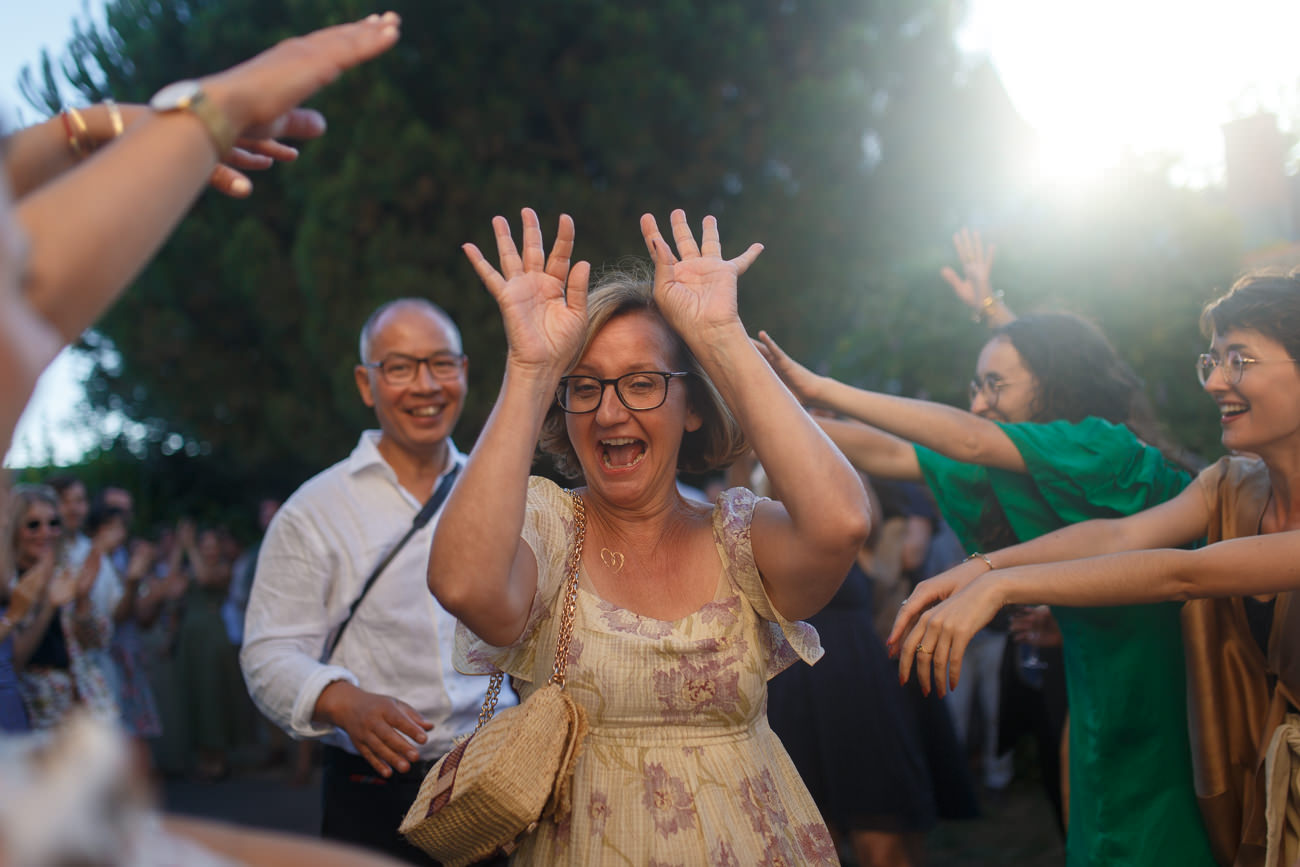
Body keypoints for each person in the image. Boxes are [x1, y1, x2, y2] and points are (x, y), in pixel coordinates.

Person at [432, 208, 869, 864]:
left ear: (692, 406)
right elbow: (464, 584)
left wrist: (721, 336)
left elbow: (842, 523)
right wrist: (530, 368)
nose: (611, 411)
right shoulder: (546, 529)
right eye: (585, 386)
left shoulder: (737, 538)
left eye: (642, 383)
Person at [757, 304, 1216, 863]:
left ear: (1055, 383)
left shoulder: (1105, 448)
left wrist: (815, 386)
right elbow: (894, 452)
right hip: (1095, 692)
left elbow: (970, 440)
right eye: (976, 386)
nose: (977, 403)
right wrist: (761, 412)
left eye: (995, 385)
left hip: (1167, 692)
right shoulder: (1020, 465)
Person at [893, 268, 1300, 867]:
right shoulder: (1233, 485)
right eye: (1210, 362)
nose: (1216, 382)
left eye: (1239, 360)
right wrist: (983, 567)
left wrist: (1002, 584)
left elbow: (1180, 574)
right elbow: (1119, 535)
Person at [241, 296, 509, 864]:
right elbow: (268, 653)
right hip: (374, 790)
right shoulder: (315, 509)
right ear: (366, 383)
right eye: (400, 367)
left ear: (463, 372)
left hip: (497, 783)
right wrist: (342, 702)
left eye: (441, 364)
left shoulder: (504, 492)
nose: (425, 385)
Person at [8, 484, 118, 730]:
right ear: (14, 529)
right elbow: (12, 661)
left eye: (53, 523)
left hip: (81, 706)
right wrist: (48, 605)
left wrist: (82, 600)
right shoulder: (8, 584)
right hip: (33, 712)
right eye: (33, 524)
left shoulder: (67, 570)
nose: (45, 532)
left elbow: (98, 641)